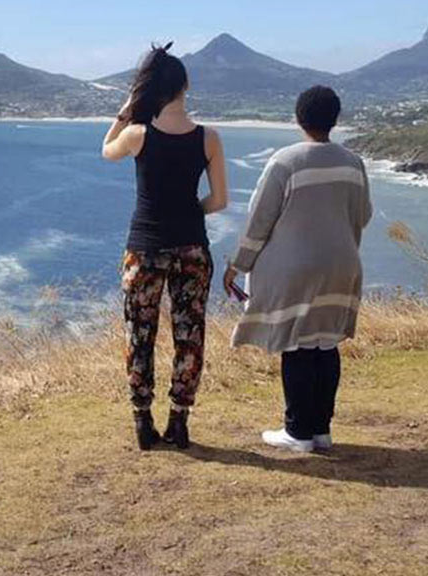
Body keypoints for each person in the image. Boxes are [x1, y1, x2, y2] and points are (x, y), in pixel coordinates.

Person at [223, 85, 371, 453]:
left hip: (298, 268)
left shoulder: (285, 162)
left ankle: (297, 432)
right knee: (326, 343)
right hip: (343, 263)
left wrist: (237, 265)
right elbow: (362, 215)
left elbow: (259, 220)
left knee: (298, 344)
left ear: (298, 118)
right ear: (335, 119)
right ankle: (321, 429)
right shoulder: (354, 163)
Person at [102, 43, 229, 450]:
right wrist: (191, 211)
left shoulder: (138, 135)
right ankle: (179, 421)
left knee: (140, 334)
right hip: (192, 248)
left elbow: (107, 150)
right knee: (189, 336)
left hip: (144, 249)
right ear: (185, 85)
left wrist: (126, 108)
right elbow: (220, 201)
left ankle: (142, 421)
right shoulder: (209, 138)